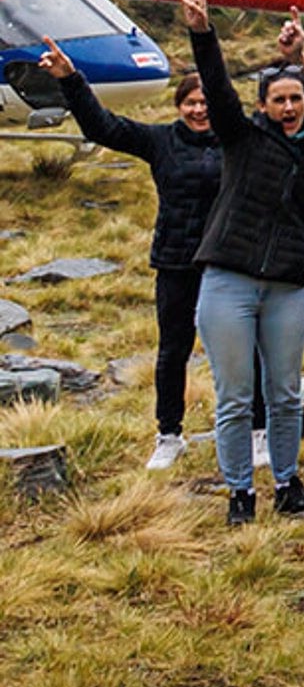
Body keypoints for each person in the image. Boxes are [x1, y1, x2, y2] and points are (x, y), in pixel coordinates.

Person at [41, 36, 253, 472]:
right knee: (173, 350)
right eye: (190, 102)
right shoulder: (159, 141)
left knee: (243, 350)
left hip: (230, 262)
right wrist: (70, 80)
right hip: (176, 261)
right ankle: (169, 435)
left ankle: (257, 429)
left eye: (206, 101)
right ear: (179, 106)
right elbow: (102, 127)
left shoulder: (238, 142)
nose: (199, 110)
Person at [175, 0, 304, 524]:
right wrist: (203, 32)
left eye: (297, 99)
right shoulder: (242, 139)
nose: (289, 108)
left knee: (286, 393)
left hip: (287, 288)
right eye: (279, 101)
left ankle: (288, 483)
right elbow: (218, 91)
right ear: (264, 106)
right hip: (229, 282)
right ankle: (240, 493)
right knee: (236, 396)